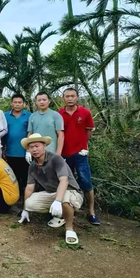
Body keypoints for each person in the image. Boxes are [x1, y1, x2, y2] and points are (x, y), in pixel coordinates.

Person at [18, 133, 83, 245]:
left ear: (44, 145)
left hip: (70, 191)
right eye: (31, 147)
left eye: (37, 146)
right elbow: (29, 187)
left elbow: (64, 180)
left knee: (65, 199)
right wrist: (25, 209)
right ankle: (60, 214)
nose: (34, 149)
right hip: (52, 192)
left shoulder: (56, 158)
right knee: (29, 203)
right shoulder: (33, 165)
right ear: (28, 149)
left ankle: (69, 229)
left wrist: (58, 201)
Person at [59, 88, 100, 225]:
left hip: (80, 154)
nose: (70, 98)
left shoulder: (85, 113)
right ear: (63, 98)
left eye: (72, 96)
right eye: (67, 96)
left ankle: (91, 212)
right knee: (67, 183)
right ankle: (69, 211)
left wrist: (84, 146)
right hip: (64, 154)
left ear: (77, 98)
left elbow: (89, 132)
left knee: (86, 181)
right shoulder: (59, 114)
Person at [3, 94, 31, 201]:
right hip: (10, 152)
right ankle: (12, 199)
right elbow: (3, 133)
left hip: (24, 153)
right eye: (15, 102)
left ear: (23, 104)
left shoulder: (29, 115)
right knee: (12, 178)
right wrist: (3, 149)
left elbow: (30, 132)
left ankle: (24, 202)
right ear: (12, 103)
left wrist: (29, 150)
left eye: (20, 102)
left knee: (24, 178)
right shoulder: (5, 115)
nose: (17, 104)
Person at [27, 91, 64, 162]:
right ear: (36, 102)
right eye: (39, 100)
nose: (42, 102)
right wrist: (28, 151)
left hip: (51, 152)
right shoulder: (32, 116)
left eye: (44, 100)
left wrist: (58, 153)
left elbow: (61, 135)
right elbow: (30, 134)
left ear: (49, 101)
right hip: (36, 153)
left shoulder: (55, 115)